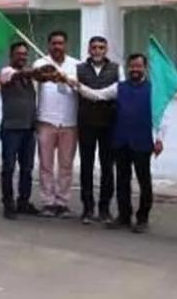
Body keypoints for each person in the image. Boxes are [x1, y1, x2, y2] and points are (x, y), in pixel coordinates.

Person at [67, 54, 167, 233]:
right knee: (122, 180)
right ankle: (124, 216)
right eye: (132, 66)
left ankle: (142, 218)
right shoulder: (119, 87)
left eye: (138, 66)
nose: (135, 69)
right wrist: (78, 86)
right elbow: (97, 95)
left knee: (144, 181)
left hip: (142, 141)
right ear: (127, 68)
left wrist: (160, 139)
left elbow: (162, 117)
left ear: (145, 68)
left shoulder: (154, 90)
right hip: (121, 140)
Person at [76, 36, 122, 225]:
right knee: (86, 167)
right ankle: (87, 209)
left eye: (101, 47)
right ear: (89, 49)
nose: (97, 51)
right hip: (86, 123)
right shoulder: (78, 69)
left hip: (109, 124)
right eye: (94, 47)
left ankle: (104, 209)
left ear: (106, 50)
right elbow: (67, 90)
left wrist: (85, 91)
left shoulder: (117, 69)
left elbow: (118, 92)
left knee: (107, 168)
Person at [33, 31, 80, 218]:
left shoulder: (76, 65)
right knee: (46, 165)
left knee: (66, 165)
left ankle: (62, 202)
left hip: (70, 122)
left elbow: (80, 88)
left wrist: (67, 79)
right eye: (54, 43)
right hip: (46, 120)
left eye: (60, 43)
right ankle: (48, 202)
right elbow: (35, 86)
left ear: (66, 45)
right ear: (48, 45)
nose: (57, 46)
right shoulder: (40, 64)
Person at [0, 41, 42, 219]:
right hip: (11, 129)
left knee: (27, 168)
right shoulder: (6, 72)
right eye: (19, 54)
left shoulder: (29, 78)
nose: (22, 57)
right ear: (11, 55)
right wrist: (37, 72)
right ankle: (8, 203)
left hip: (29, 129)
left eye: (25, 54)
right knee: (9, 167)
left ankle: (23, 201)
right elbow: (17, 75)